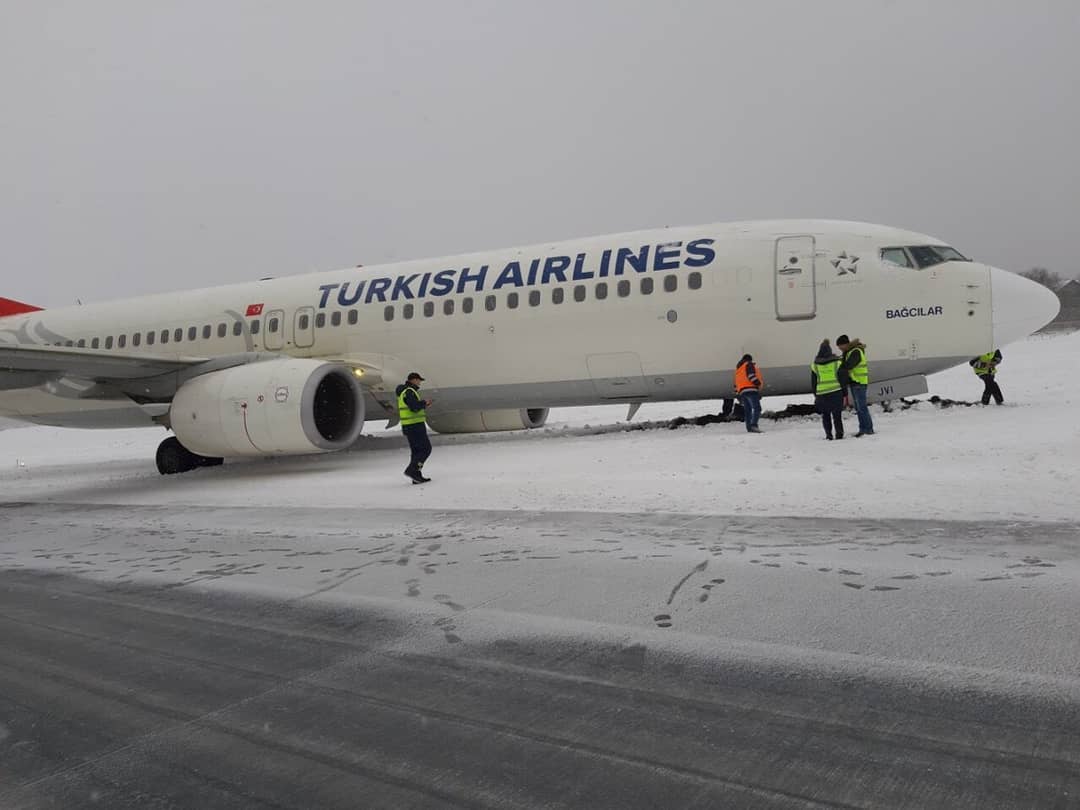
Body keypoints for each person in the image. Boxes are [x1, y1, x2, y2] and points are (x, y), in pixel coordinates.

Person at [396, 372, 433, 483]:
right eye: (418, 380)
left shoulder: (405, 392)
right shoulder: (409, 392)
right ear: (413, 380)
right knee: (426, 449)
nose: (420, 382)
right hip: (415, 426)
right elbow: (414, 407)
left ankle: (416, 476)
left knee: (416, 451)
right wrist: (423, 403)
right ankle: (412, 470)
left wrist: (423, 404)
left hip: (409, 426)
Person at [836, 334, 874, 436]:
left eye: (840, 347)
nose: (840, 349)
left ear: (845, 344)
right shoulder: (849, 352)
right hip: (855, 382)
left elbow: (848, 365)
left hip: (859, 382)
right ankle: (864, 428)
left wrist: (841, 364)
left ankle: (867, 429)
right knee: (859, 408)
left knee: (861, 408)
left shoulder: (855, 352)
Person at [812, 340, 844, 440]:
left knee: (826, 416)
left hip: (822, 394)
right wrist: (844, 391)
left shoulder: (815, 366)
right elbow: (842, 378)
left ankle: (828, 434)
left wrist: (816, 394)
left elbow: (813, 382)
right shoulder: (837, 363)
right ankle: (839, 434)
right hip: (836, 392)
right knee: (837, 415)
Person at [733, 354, 763, 433]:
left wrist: (738, 395)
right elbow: (751, 375)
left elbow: (735, 384)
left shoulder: (739, 370)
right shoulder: (748, 365)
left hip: (743, 392)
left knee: (748, 411)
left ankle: (749, 428)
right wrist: (758, 383)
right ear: (749, 359)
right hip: (751, 390)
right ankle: (754, 425)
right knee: (757, 408)